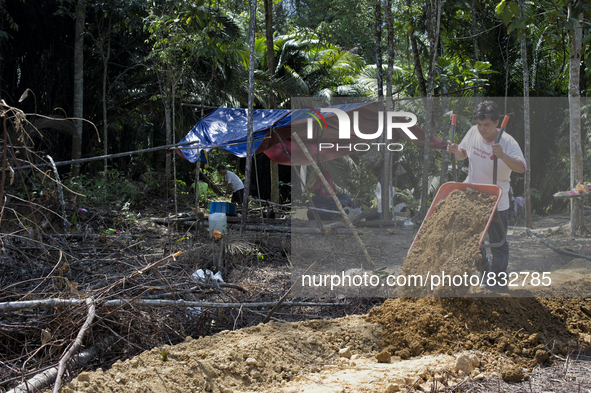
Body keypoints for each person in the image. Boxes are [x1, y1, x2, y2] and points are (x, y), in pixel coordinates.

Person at [447, 101, 526, 290]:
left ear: (497, 123)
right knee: (474, 240)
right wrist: (455, 150)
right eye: (479, 124)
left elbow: (522, 168)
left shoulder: (507, 141)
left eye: (487, 125)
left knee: (498, 241)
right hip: (473, 195)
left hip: (496, 199)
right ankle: (484, 273)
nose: (482, 129)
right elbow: (462, 154)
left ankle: (498, 280)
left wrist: (503, 156)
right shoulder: (473, 132)